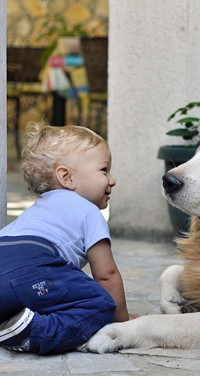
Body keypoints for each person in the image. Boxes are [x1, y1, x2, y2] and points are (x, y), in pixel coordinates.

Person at [0, 123, 132, 355]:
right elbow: (106, 275)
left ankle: (13, 320)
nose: (112, 180)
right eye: (104, 170)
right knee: (100, 305)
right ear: (67, 177)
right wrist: (122, 323)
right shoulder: (88, 211)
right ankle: (31, 331)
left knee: (38, 293)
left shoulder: (38, 209)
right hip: (33, 264)